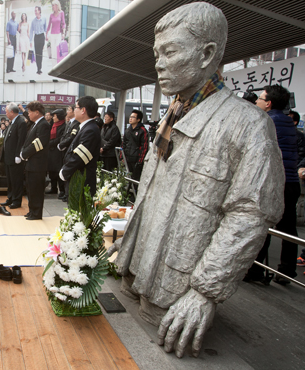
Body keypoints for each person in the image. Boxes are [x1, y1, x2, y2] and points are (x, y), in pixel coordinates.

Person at [110, 3, 284, 358]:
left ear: (206, 54)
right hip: (135, 275)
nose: (158, 63)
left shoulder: (249, 125)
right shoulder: (173, 112)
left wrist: (206, 292)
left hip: (174, 289)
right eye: (157, 53)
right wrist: (127, 244)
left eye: (170, 52)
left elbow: (250, 214)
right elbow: (152, 191)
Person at [245, 85, 299, 285]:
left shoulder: (267, 121)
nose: (256, 102)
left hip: (273, 182)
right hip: (291, 182)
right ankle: (286, 271)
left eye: (259, 99)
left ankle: (255, 270)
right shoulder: (287, 121)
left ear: (268, 103)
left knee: (262, 225)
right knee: (287, 230)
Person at [59, 96, 101, 197]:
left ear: (83, 110)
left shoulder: (90, 130)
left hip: (82, 180)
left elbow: (80, 156)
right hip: (77, 178)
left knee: (78, 211)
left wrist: (65, 171)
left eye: (76, 107)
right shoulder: (86, 127)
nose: (74, 110)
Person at [20, 101, 50, 220]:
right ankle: (32, 210)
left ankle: (36, 213)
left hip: (37, 164)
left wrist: (24, 153)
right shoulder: (35, 124)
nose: (28, 114)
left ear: (37, 112)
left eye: (30, 112)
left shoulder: (43, 124)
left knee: (36, 190)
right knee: (30, 188)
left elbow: (39, 143)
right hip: (31, 163)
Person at [1, 103, 27, 209]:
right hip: (8, 157)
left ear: (12, 112)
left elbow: (21, 140)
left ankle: (17, 201)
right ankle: (10, 198)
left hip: (15, 158)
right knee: (10, 180)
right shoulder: (12, 122)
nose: (6, 114)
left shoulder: (21, 122)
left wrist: (18, 155)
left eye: (7, 111)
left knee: (16, 180)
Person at [57, 105, 80, 201]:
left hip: (70, 151)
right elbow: (64, 136)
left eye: (69, 110)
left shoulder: (76, 123)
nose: (67, 112)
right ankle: (66, 194)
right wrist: (61, 144)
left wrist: (61, 145)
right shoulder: (69, 123)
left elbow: (72, 137)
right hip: (65, 151)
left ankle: (68, 195)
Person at [122, 110, 148, 184]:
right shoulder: (128, 130)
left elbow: (144, 147)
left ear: (138, 119)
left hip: (136, 160)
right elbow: (124, 144)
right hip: (128, 158)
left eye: (133, 117)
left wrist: (140, 161)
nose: (130, 118)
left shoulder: (142, 131)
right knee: (127, 179)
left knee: (135, 180)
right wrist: (122, 157)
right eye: (130, 117)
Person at [46, 109, 66, 197]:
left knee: (58, 171)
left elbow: (60, 138)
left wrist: (50, 143)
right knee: (52, 171)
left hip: (58, 151)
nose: (53, 117)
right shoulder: (52, 125)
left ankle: (61, 190)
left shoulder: (64, 126)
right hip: (50, 151)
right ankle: (53, 188)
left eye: (54, 115)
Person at [30, 6, 47, 75]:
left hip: (41, 36)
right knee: (37, 53)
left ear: (39, 11)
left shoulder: (44, 19)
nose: (35, 12)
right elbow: (31, 31)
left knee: (40, 52)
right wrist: (30, 41)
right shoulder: (33, 21)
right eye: (35, 11)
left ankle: (40, 67)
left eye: (36, 10)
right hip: (36, 37)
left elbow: (45, 29)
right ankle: (38, 68)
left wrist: (47, 36)